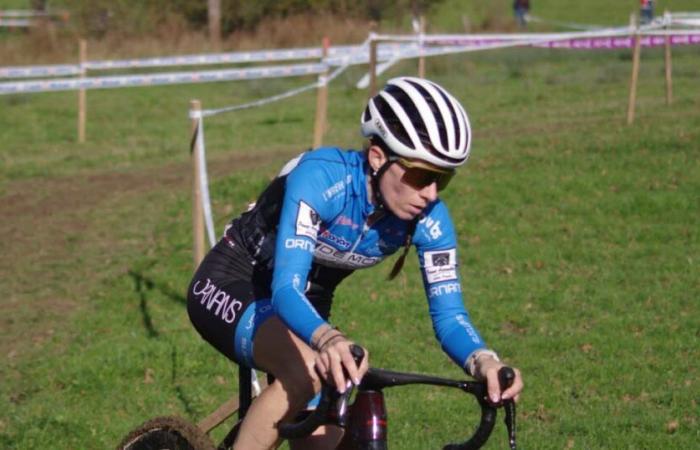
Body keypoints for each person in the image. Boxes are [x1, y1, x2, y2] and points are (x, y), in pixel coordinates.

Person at [187, 76, 524, 450]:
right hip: (234, 282)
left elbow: (449, 316)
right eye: (419, 175)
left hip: (307, 309)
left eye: (441, 179)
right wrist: (329, 338)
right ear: (378, 157)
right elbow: (285, 290)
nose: (429, 194)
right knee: (305, 375)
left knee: (328, 428)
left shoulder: (430, 220)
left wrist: (484, 362)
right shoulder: (321, 178)